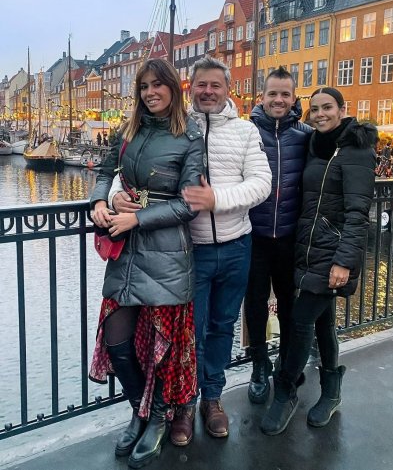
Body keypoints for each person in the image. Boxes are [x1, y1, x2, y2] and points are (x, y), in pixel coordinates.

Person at [89, 58, 205, 468]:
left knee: (163, 348)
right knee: (117, 340)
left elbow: (190, 203)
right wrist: (100, 201)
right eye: (144, 87)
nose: (150, 93)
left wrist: (136, 216)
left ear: (173, 88)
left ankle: (158, 419)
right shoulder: (128, 129)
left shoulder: (190, 135)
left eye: (158, 85)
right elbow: (104, 173)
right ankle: (141, 411)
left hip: (167, 253)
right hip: (126, 249)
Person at [261, 86, 377, 436]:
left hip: (334, 255)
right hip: (308, 250)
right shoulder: (316, 144)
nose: (321, 114)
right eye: (315, 109)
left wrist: (344, 262)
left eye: (328, 107)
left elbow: (358, 214)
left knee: (299, 322)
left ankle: (286, 390)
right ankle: (331, 391)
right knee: (323, 322)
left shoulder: (357, 149)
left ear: (343, 109)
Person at [170, 55, 272, 446]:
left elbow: (261, 183)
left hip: (234, 246)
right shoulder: (177, 128)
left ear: (227, 89)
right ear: (190, 88)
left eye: (215, 85)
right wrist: (113, 197)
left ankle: (212, 398)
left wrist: (218, 199)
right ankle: (184, 402)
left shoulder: (245, 132)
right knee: (189, 331)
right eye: (201, 85)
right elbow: (136, 173)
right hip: (188, 250)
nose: (208, 91)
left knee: (222, 327)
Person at [244, 66, 312, 404]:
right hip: (253, 234)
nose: (279, 100)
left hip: (289, 235)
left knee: (289, 303)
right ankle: (259, 363)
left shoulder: (305, 135)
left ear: (294, 97)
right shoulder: (247, 133)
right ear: (263, 96)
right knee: (255, 302)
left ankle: (286, 360)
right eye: (273, 93)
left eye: (285, 94)